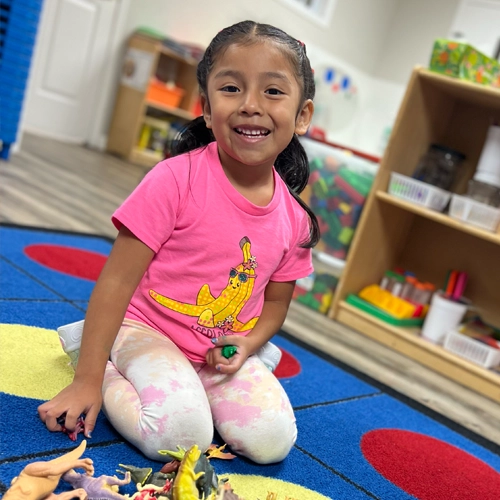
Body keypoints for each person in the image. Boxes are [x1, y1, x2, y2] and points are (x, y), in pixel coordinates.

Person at [38, 19, 320, 465]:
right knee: (181, 435)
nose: (250, 105)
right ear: (207, 109)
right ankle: (103, 363)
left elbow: (276, 304)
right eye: (231, 89)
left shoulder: (295, 219)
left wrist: (249, 344)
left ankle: (186, 390)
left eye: (272, 91)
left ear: (302, 114)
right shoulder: (174, 180)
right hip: (147, 331)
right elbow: (116, 282)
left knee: (272, 442)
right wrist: (87, 381)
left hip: (218, 349)